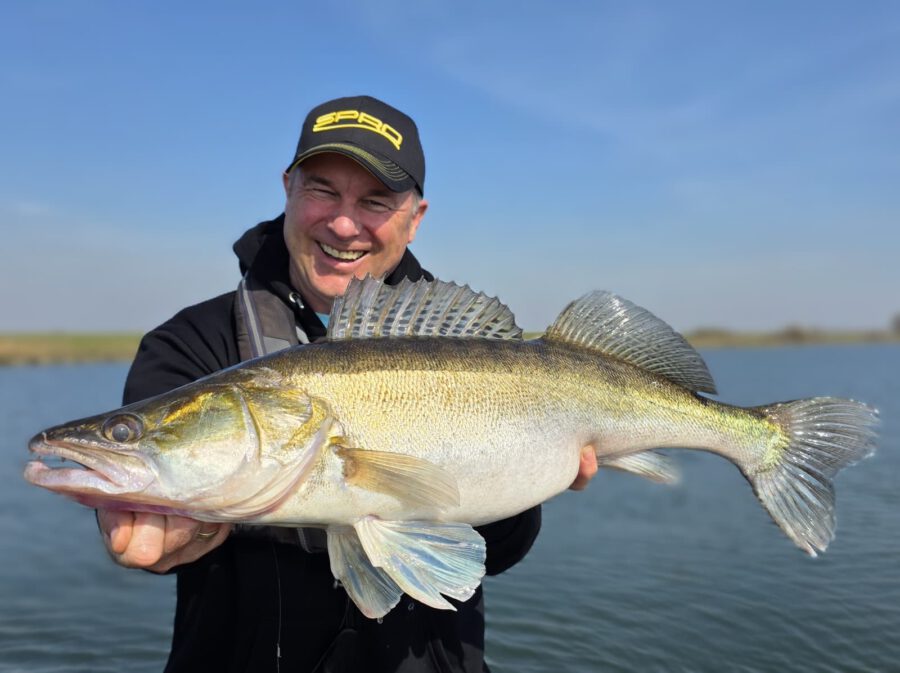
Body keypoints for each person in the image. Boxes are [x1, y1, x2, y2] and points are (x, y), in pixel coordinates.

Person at [97, 95, 598, 673]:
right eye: (322, 190)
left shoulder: (473, 354)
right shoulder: (190, 343)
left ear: (415, 216)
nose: (342, 223)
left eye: (375, 201)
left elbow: (500, 552)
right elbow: (149, 479)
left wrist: (527, 482)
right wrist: (155, 527)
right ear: (287, 187)